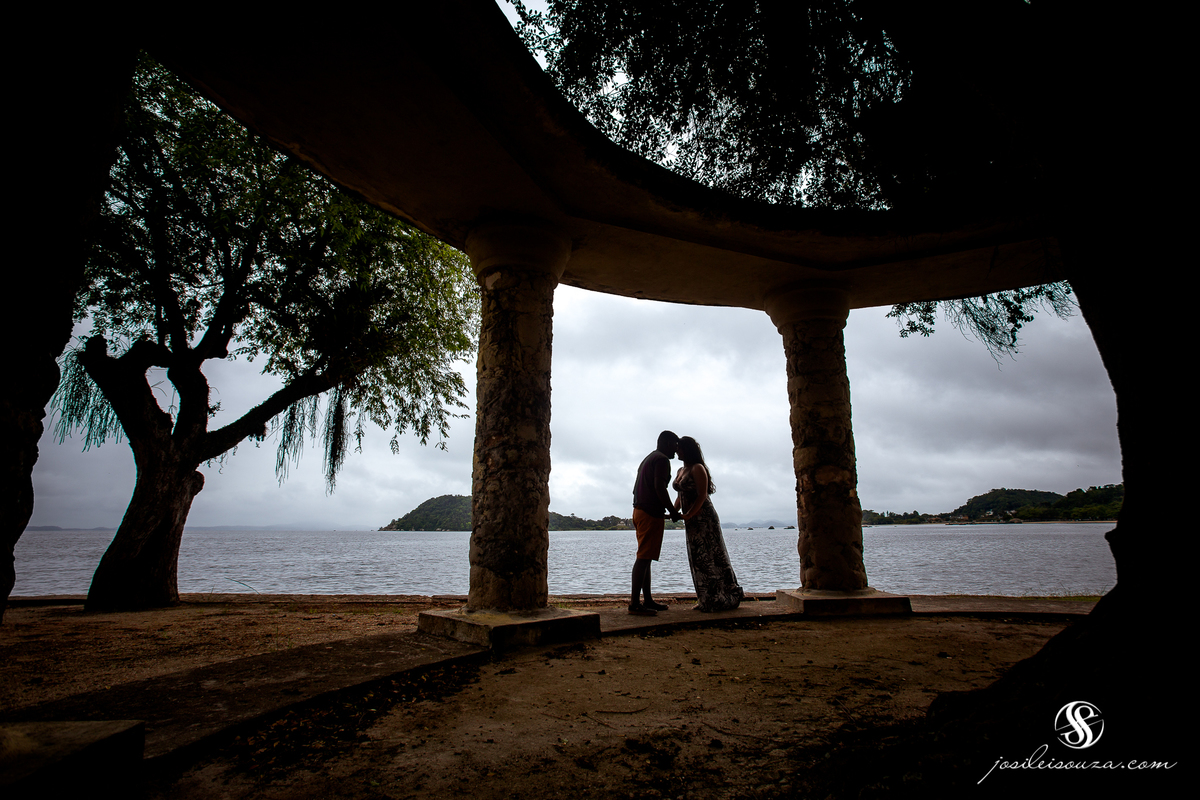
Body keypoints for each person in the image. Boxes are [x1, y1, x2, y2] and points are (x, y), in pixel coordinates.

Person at [673, 436, 743, 612]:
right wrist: (674, 512)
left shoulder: (698, 468)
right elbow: (679, 497)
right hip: (691, 519)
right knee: (697, 558)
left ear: (687, 449)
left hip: (704, 518)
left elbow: (702, 495)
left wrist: (689, 515)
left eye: (679, 448)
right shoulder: (681, 469)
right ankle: (705, 598)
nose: (676, 451)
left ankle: (721, 596)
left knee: (711, 556)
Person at [630, 431, 682, 615]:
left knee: (646, 558)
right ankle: (635, 604)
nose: (677, 450)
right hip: (650, 513)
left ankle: (648, 600)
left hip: (639, 511)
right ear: (667, 443)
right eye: (675, 445)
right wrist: (673, 511)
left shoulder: (648, 458)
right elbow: (660, 488)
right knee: (643, 558)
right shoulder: (661, 460)